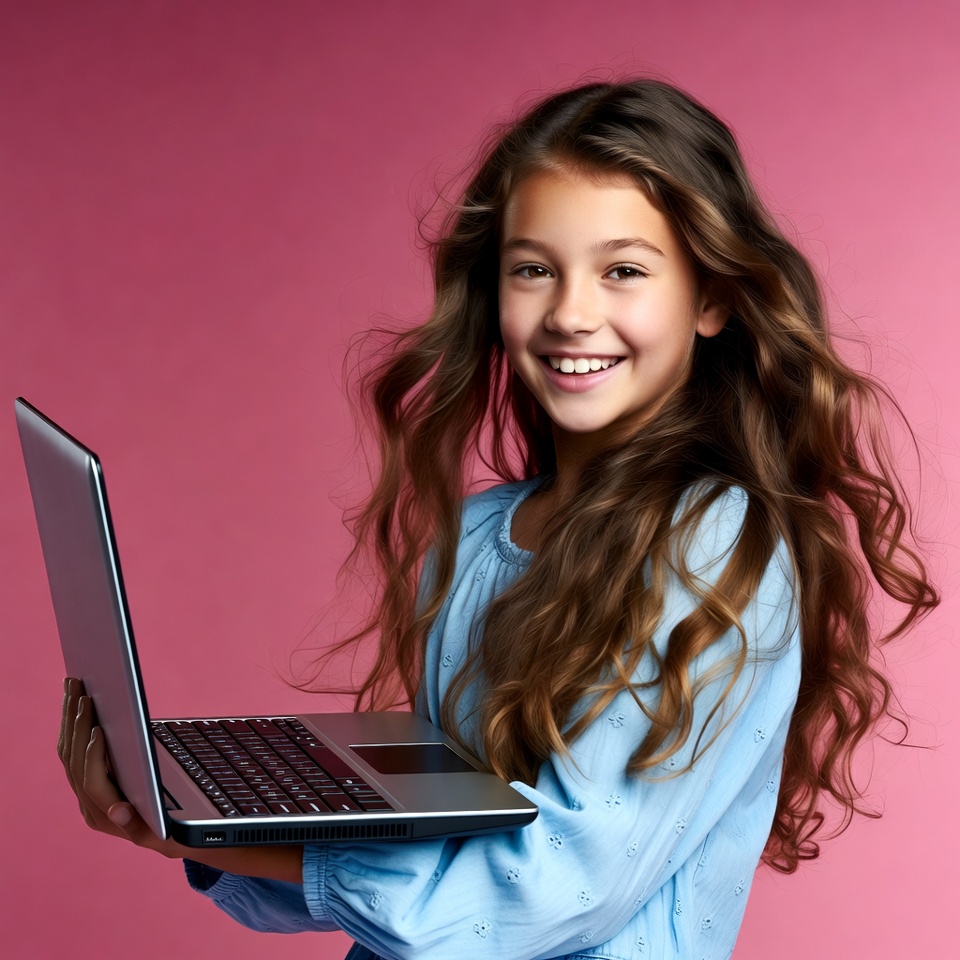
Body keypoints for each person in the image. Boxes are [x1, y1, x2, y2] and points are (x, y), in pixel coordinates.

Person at [59, 79, 938, 960]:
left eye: (623, 270)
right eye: (534, 269)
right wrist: (197, 816)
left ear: (712, 300)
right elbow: (436, 861)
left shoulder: (713, 549)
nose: (570, 313)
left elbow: (548, 891)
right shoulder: (479, 537)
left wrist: (205, 834)